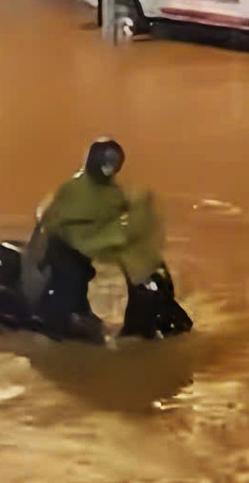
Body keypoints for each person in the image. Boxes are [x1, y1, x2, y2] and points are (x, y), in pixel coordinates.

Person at [29, 138, 193, 342]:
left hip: (97, 243)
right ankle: (63, 321)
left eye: (115, 160)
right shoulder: (73, 190)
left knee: (138, 270)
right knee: (71, 277)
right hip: (67, 246)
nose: (110, 165)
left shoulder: (114, 192)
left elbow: (125, 218)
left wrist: (140, 214)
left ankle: (132, 320)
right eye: (106, 159)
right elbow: (57, 222)